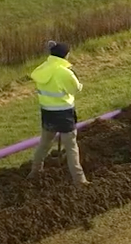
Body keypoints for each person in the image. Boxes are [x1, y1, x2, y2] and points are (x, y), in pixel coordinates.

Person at [28, 40, 89, 186]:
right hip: (64, 115)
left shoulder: (42, 69)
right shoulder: (65, 72)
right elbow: (74, 89)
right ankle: (80, 180)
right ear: (65, 55)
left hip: (47, 113)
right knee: (71, 147)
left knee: (44, 144)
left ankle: (35, 171)